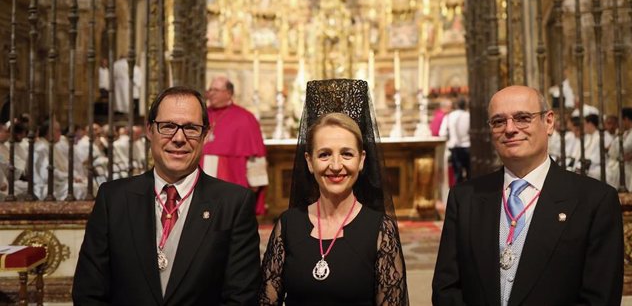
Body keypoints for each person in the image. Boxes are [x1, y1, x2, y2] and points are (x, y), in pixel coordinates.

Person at [432, 85, 623, 306]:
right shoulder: (465, 198)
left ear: (549, 122)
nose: (510, 129)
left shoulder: (594, 201)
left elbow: (600, 297)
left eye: (522, 118)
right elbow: (446, 288)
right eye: (498, 121)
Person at [73, 86, 261, 305]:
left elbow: (241, 297)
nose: (179, 138)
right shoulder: (113, 199)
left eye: (191, 128)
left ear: (205, 135)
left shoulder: (234, 203)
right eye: (168, 126)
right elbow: (89, 292)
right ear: (150, 130)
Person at [259, 79, 408, 305]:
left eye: (347, 154)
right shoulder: (288, 225)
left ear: (361, 160)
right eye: (324, 154)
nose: (336, 165)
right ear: (309, 161)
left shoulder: (381, 231)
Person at [202, 76, 267, 215]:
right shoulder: (201, 115)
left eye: (216, 90)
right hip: (201, 185)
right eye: (210, 90)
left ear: (228, 93)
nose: (211, 93)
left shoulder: (245, 118)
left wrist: (256, 183)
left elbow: (255, 156)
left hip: (232, 184)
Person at [440, 97, 471, 183]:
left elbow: (442, 133)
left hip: (454, 147)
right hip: (467, 146)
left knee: (457, 173)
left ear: (456, 105)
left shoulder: (449, 116)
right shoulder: (468, 116)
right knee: (469, 173)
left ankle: (459, 193)